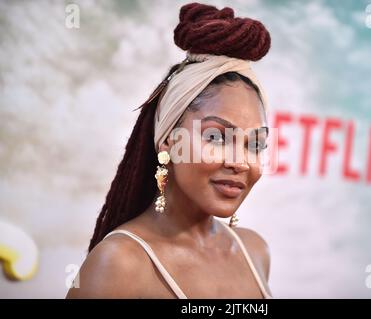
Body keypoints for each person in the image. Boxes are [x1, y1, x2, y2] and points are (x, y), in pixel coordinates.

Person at [66, 2, 272, 299]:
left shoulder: (256, 251)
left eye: (255, 144)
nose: (240, 162)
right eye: (216, 137)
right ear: (168, 140)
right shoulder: (119, 265)